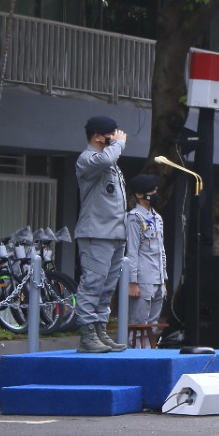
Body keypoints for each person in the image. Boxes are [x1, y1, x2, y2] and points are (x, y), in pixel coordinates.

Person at [74, 115, 129, 353]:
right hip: (96, 233)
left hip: (115, 234)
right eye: (110, 134)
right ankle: (87, 336)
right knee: (93, 284)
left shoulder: (110, 163)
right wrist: (118, 145)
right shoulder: (88, 159)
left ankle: (99, 331)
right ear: (97, 136)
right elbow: (105, 159)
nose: (115, 137)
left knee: (107, 287)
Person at [125, 174, 167, 327]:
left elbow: (161, 250)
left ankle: (150, 351)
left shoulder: (157, 218)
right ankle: (137, 351)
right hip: (143, 279)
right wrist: (132, 282)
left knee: (153, 325)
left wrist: (164, 280)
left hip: (157, 279)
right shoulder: (134, 218)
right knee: (138, 324)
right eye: (152, 191)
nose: (155, 194)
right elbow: (132, 251)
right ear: (139, 194)